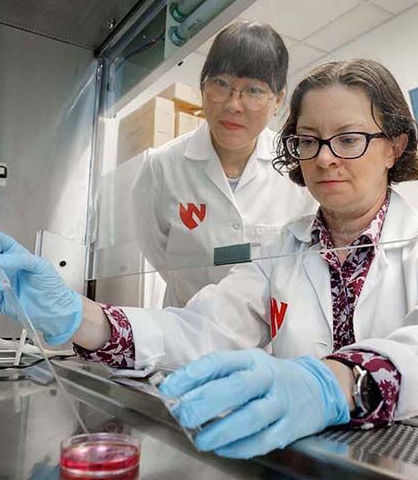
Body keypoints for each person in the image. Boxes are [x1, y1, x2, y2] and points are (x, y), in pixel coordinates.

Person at [0, 59, 418, 459]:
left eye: (348, 139)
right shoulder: (284, 248)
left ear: (393, 146)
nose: (324, 160)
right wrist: (76, 315)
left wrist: (334, 382)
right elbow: (202, 328)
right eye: (308, 140)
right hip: (329, 474)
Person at [132, 20, 317, 307]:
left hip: (268, 344)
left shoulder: (297, 167)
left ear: (278, 100)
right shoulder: (162, 168)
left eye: (254, 91)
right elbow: (156, 252)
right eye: (221, 84)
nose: (233, 104)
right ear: (203, 87)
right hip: (187, 333)